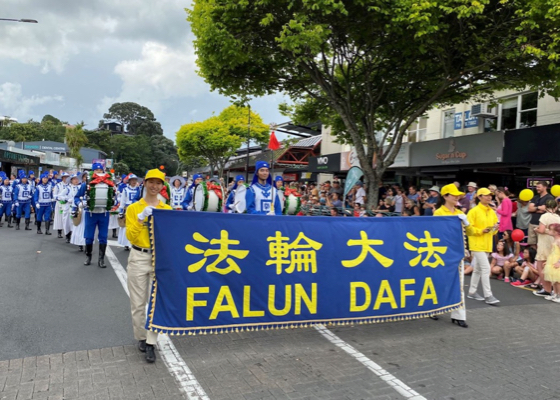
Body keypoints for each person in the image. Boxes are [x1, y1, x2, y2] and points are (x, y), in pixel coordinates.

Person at [126, 168, 172, 363]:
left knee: (156, 303)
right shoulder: (134, 208)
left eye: (159, 183)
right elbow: (130, 236)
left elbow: (171, 237)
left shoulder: (167, 210)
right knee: (138, 304)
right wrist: (140, 218)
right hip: (138, 255)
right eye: (151, 182)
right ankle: (142, 338)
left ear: (163, 186)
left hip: (159, 258)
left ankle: (152, 343)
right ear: (144, 183)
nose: (155, 186)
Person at [433, 183, 475, 328]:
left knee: (459, 283)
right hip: (442, 252)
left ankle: (459, 315)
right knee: (441, 281)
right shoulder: (439, 213)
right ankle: (434, 307)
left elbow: (470, 233)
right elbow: (437, 233)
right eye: (453, 194)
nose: (457, 196)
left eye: (458, 194)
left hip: (457, 252)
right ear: (445, 196)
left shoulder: (459, 212)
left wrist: (466, 223)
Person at [74, 163, 116, 268]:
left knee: (103, 237)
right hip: (90, 213)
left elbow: (115, 197)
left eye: (100, 170)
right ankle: (88, 257)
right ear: (93, 171)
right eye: (96, 170)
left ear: (103, 171)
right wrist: (80, 203)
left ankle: (101, 260)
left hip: (104, 213)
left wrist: (113, 202)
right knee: (89, 237)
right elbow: (77, 197)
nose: (98, 172)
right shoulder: (87, 183)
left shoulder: (109, 183)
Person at [466, 187, 500, 305]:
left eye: (490, 195)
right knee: (485, 269)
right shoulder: (474, 211)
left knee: (479, 269)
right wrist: (481, 231)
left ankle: (472, 291)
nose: (489, 197)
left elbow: (495, 228)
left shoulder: (491, 211)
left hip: (487, 243)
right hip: (477, 244)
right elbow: (468, 228)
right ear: (479, 197)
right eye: (486, 195)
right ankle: (488, 295)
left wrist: (495, 229)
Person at [532, 199, 560, 297]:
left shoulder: (544, 216)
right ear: (556, 207)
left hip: (544, 243)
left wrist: (536, 229)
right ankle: (555, 290)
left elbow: (542, 229)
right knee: (552, 267)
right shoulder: (558, 217)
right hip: (554, 244)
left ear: (546, 207)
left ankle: (547, 289)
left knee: (541, 267)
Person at [527, 181, 555, 248]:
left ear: (545, 187)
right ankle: (534, 257)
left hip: (541, 224)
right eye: (536, 187)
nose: (537, 188)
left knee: (541, 243)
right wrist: (538, 208)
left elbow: (546, 209)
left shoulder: (549, 198)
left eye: (539, 187)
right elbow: (529, 209)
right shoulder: (535, 197)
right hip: (532, 223)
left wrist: (535, 208)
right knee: (532, 243)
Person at [118, 175, 141, 251]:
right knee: (127, 226)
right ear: (129, 181)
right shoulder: (125, 190)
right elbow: (123, 201)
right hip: (127, 209)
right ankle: (126, 243)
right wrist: (121, 211)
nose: (134, 182)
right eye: (132, 180)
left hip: (137, 209)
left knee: (136, 225)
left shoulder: (140, 189)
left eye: (135, 180)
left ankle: (134, 242)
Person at [542, 223, 560, 302]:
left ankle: (559, 295)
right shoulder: (555, 240)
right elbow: (553, 252)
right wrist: (547, 261)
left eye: (550, 230)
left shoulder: (559, 241)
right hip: (552, 260)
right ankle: (555, 294)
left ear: (556, 232)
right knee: (553, 279)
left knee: (557, 280)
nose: (548, 231)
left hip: (557, 261)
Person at [53, 173, 70, 238]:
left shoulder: (70, 185)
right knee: (59, 218)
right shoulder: (58, 185)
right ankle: (59, 232)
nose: (66, 178)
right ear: (62, 178)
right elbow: (54, 195)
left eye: (67, 177)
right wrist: (59, 198)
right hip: (60, 204)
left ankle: (68, 234)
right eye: (64, 177)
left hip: (68, 204)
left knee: (68, 219)